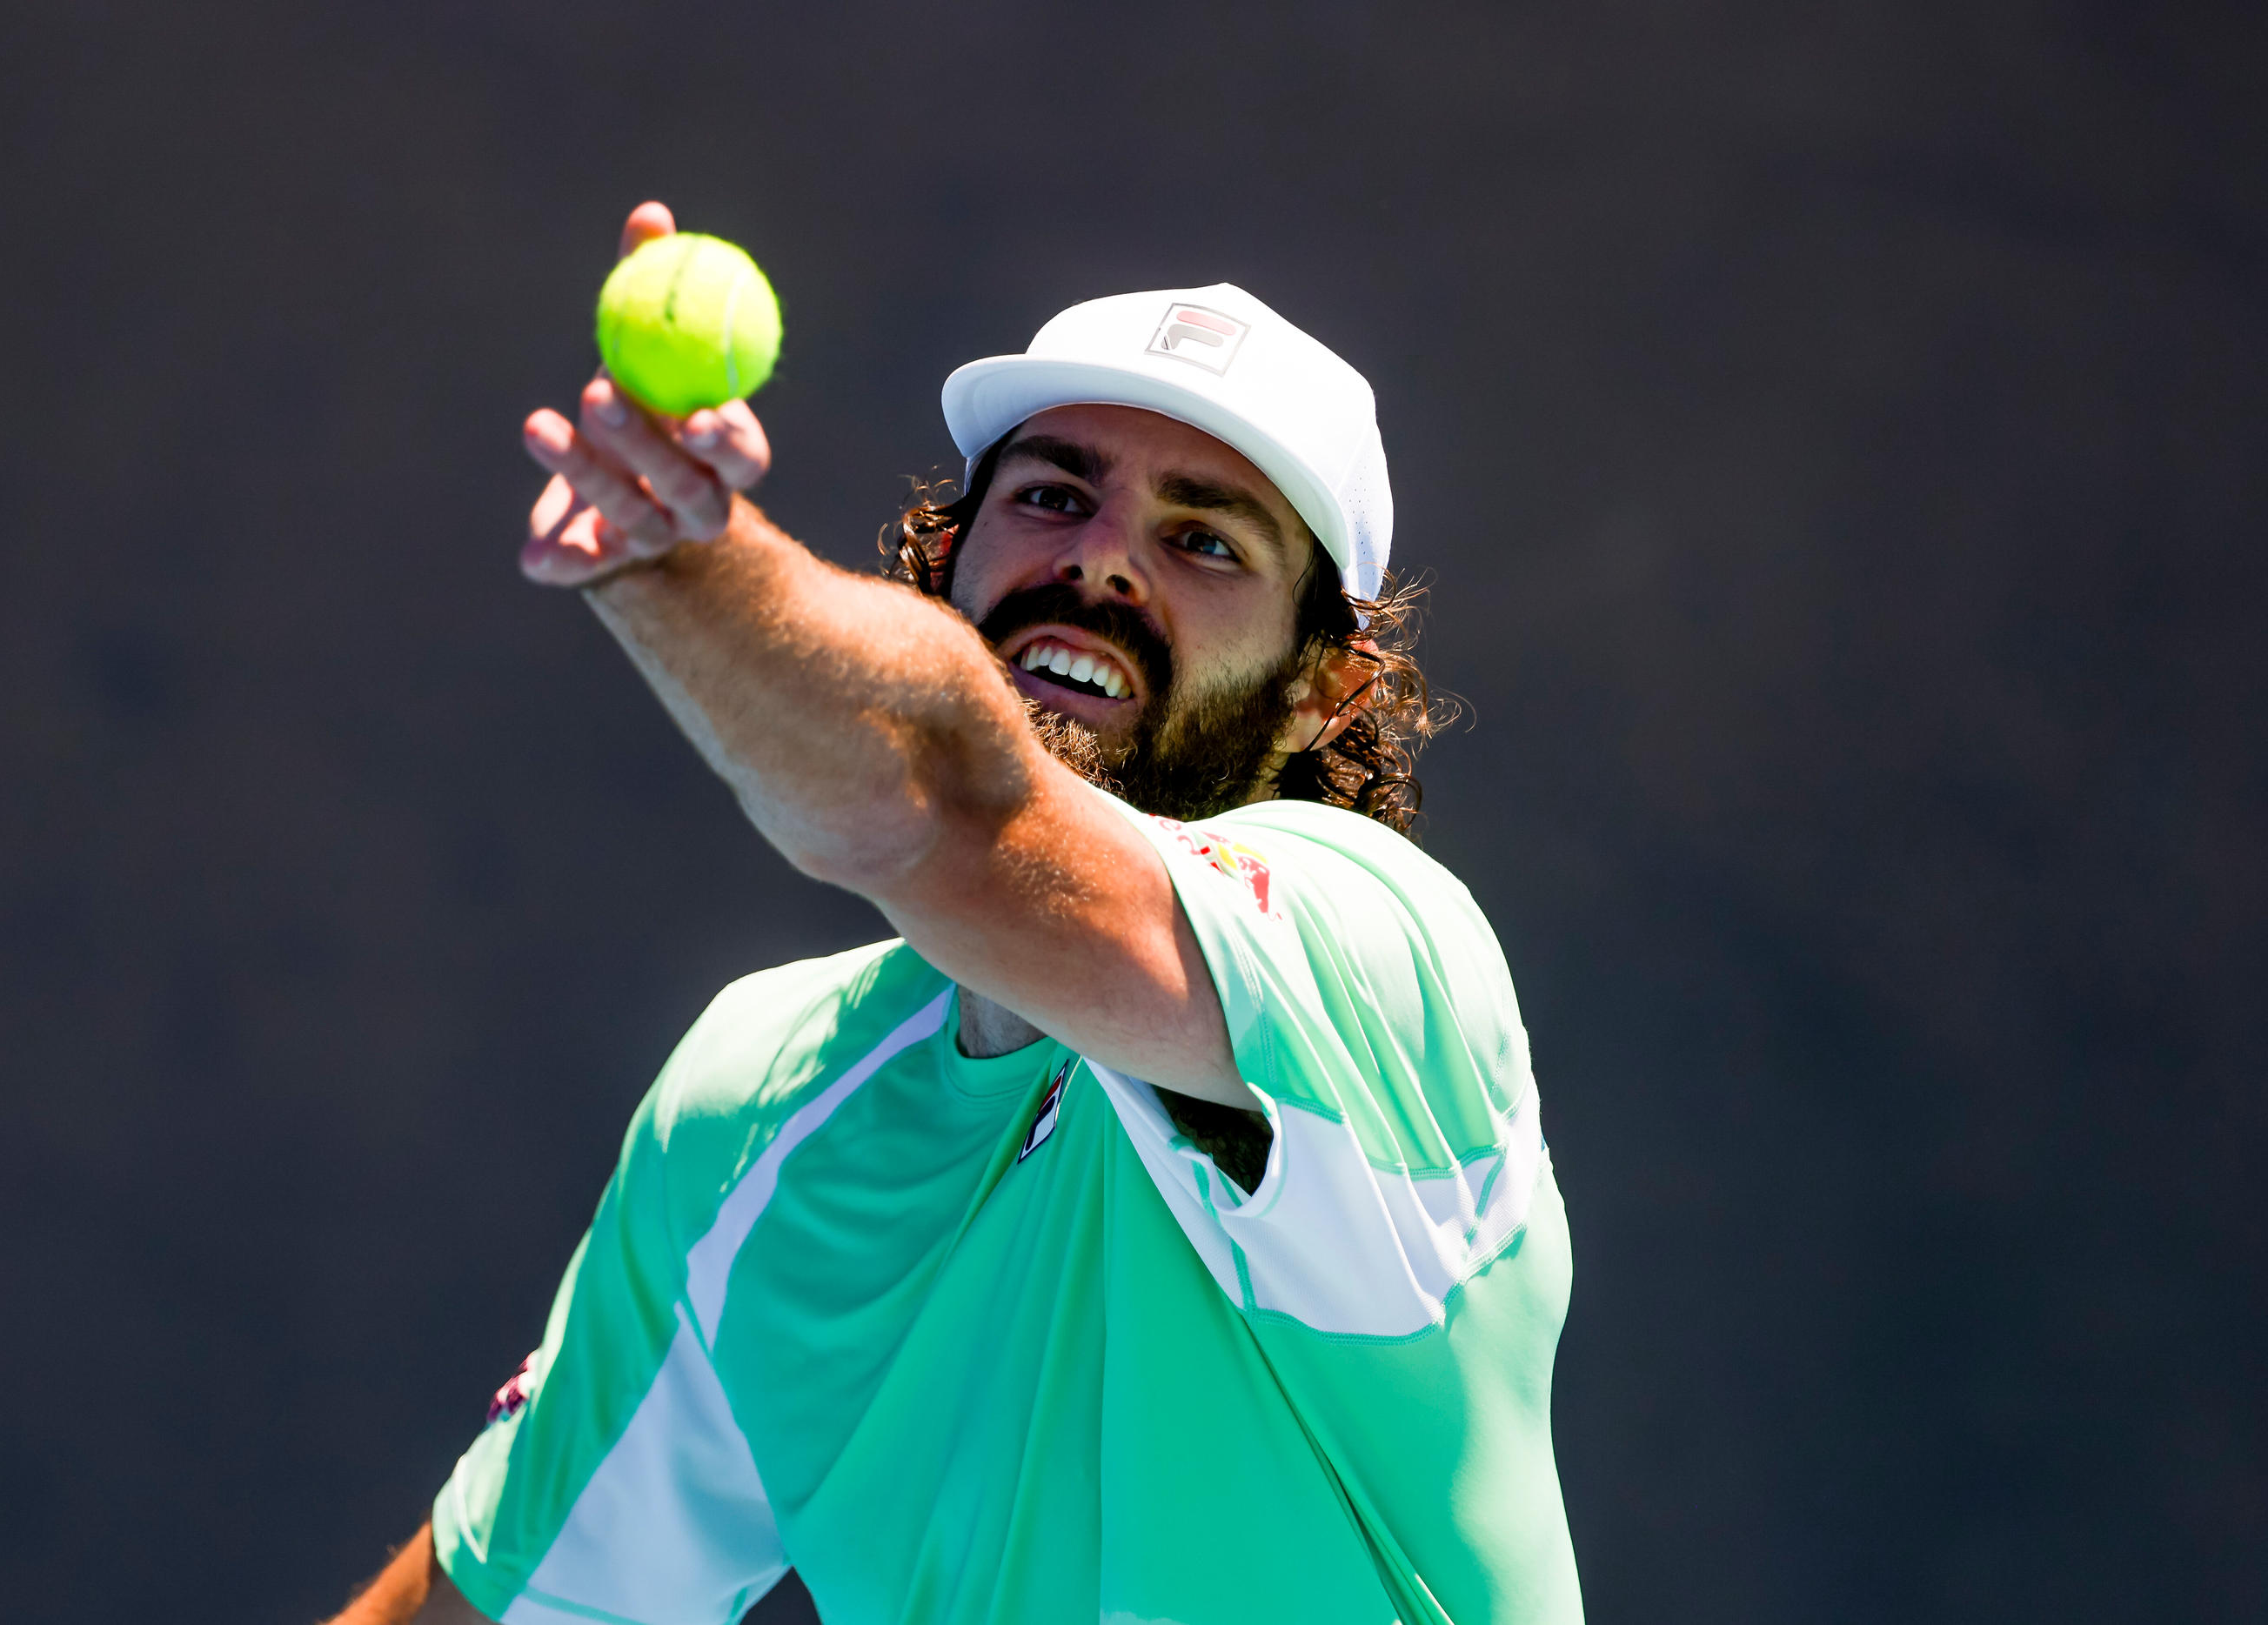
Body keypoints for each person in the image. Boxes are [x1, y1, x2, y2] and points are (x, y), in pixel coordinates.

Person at [328, 199, 1582, 1625]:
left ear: (1322, 693)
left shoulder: (1377, 962)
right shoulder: (756, 1109)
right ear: (945, 562)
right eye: (1053, 495)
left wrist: (685, 564)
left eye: (1205, 542)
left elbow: (950, 807)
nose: (1105, 561)